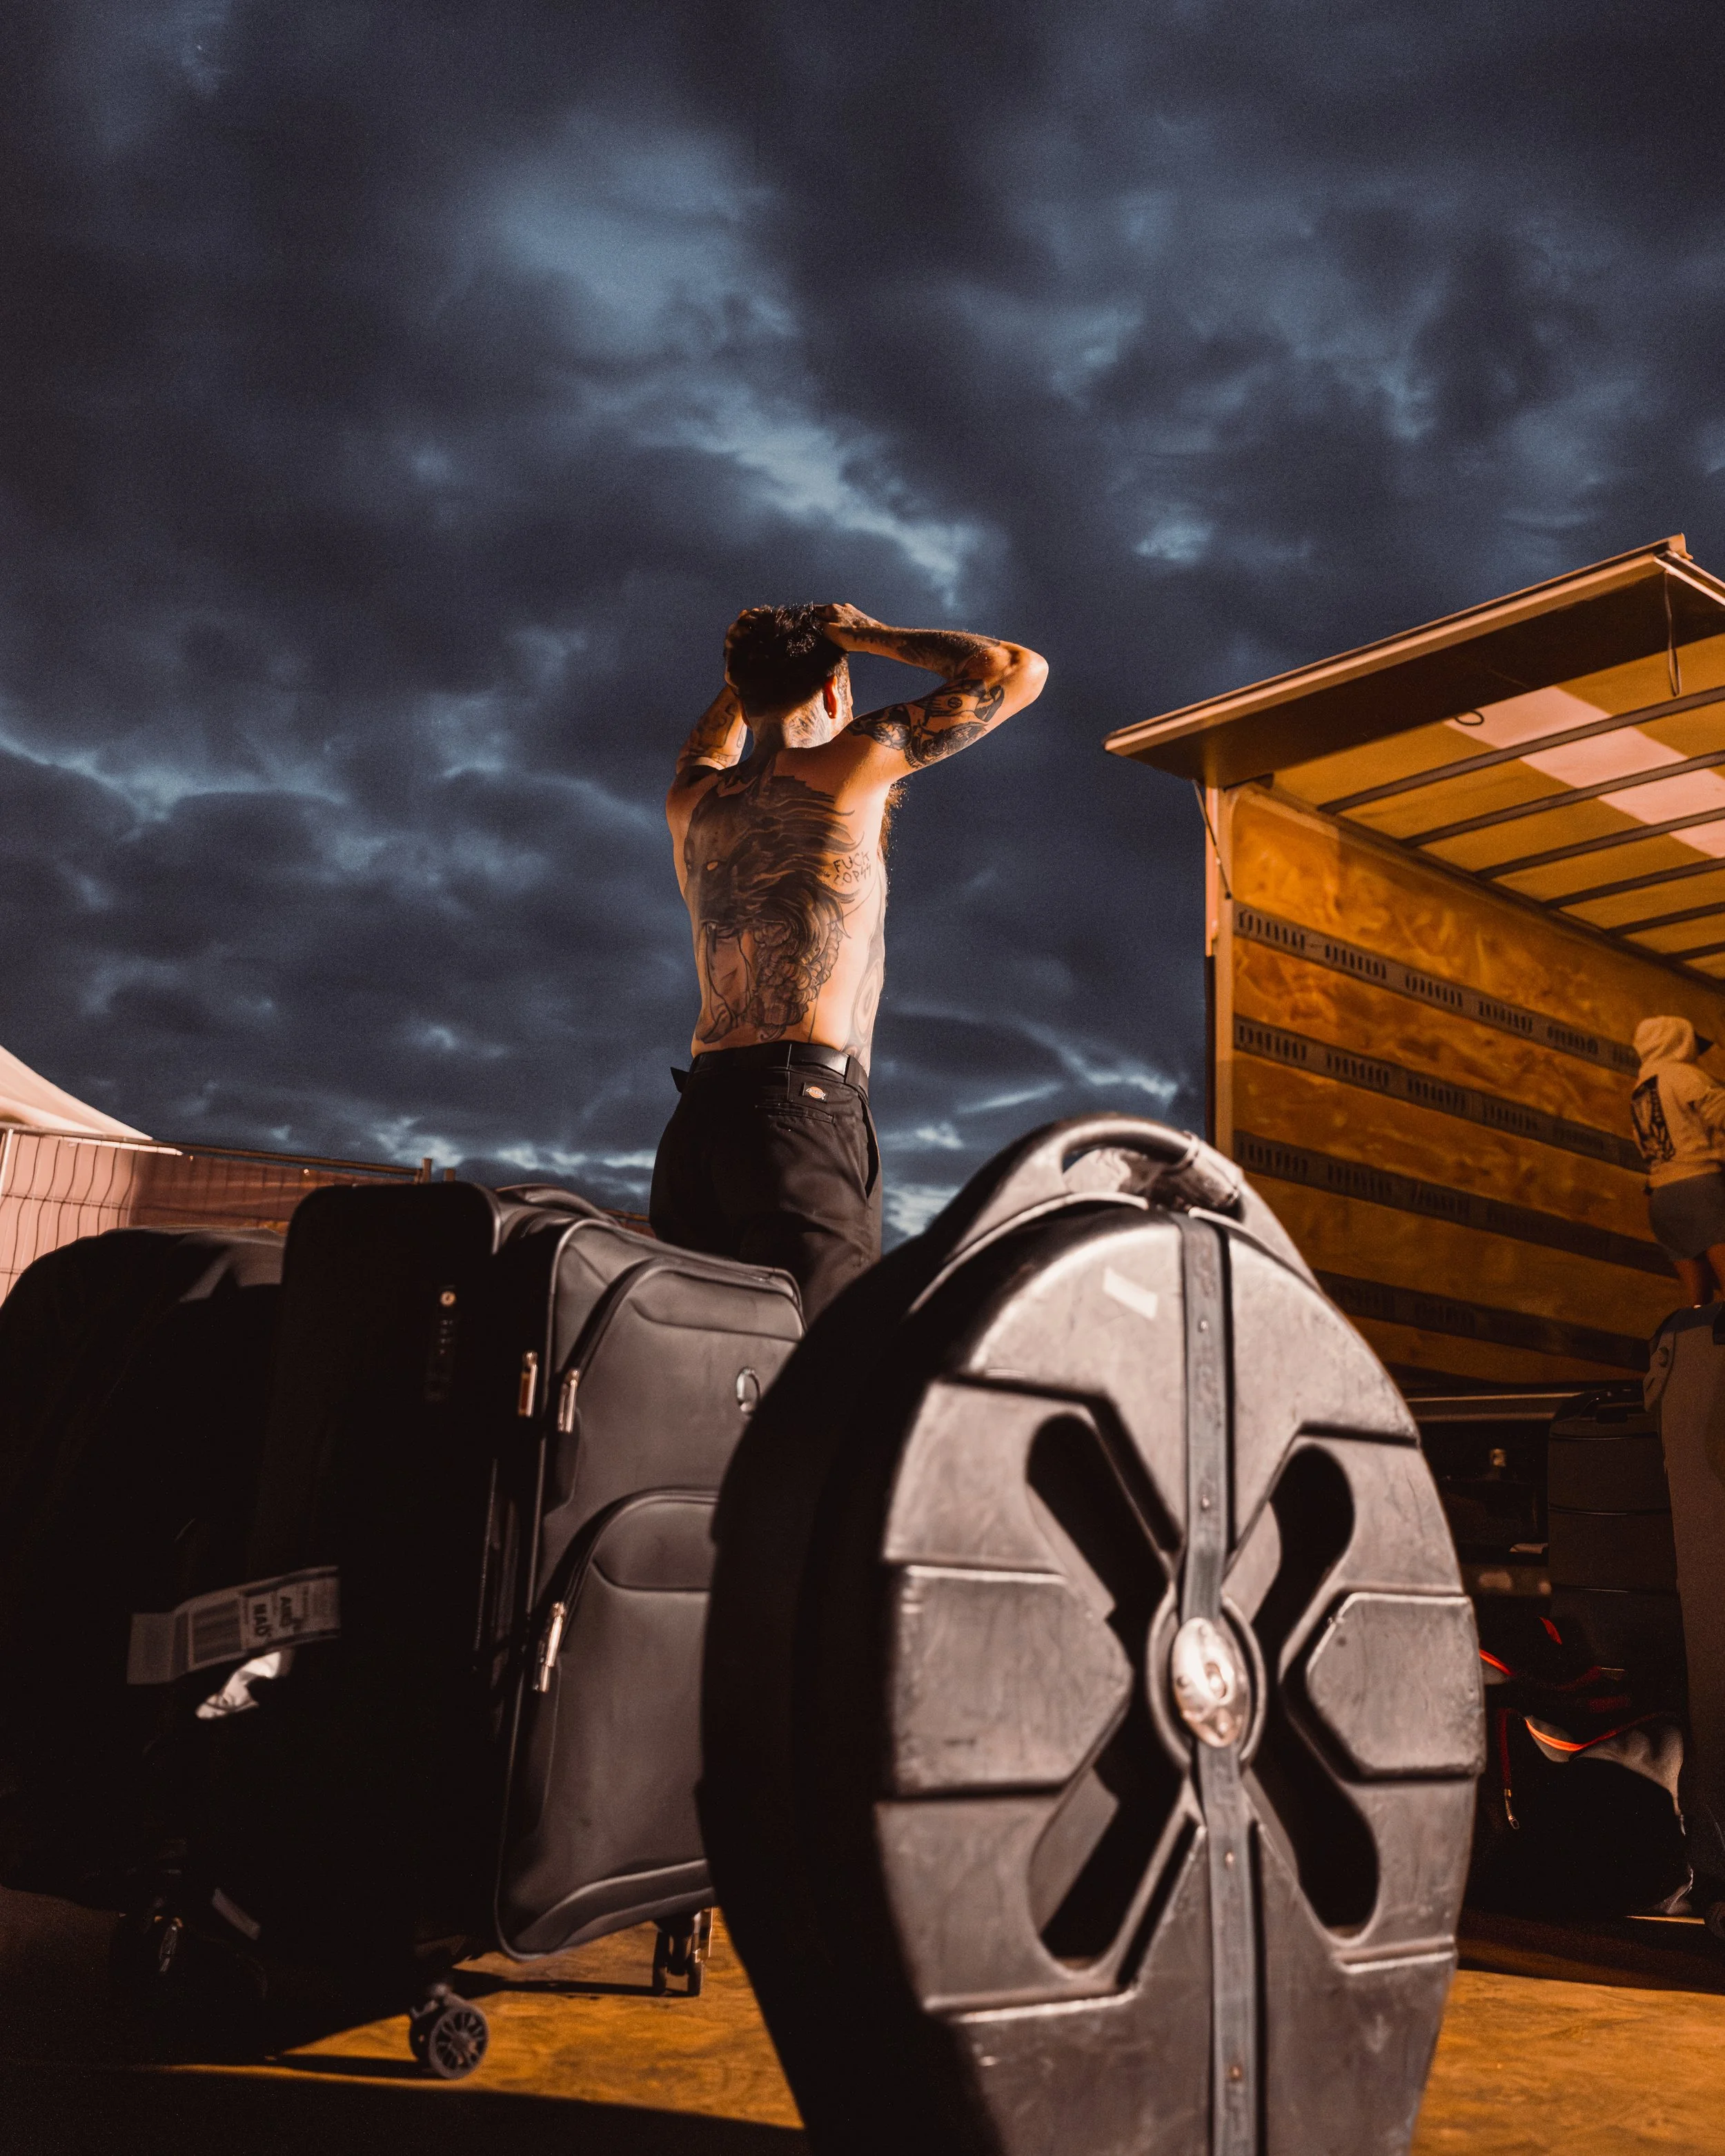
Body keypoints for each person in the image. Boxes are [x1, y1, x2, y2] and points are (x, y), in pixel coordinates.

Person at [650, 601, 1048, 1318]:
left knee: (703, 1374)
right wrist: (862, 636)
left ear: (744, 693)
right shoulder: (845, 767)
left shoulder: (694, 804)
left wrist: (747, 673)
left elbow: (702, 752)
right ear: (836, 693)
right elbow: (1015, 669)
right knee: (825, 1370)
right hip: (797, 1117)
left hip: (696, 1127)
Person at [1630, 1015, 1725, 1304]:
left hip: (1662, 1200)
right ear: (1676, 1040)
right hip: (1700, 1189)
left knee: (1698, 1303)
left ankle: (1693, 1347)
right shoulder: (1683, 1074)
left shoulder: (1639, 1091)